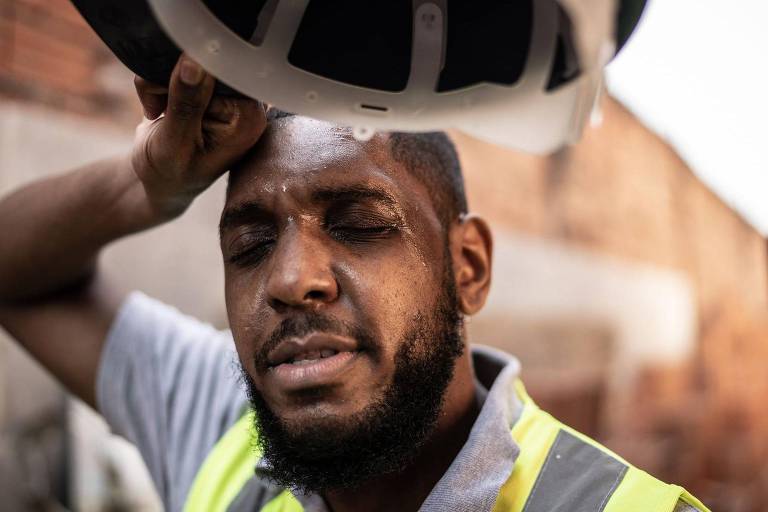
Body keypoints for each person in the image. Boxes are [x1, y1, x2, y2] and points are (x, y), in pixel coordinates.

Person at [0, 55, 708, 512]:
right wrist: (146, 184)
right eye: (249, 243)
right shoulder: (222, 421)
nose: (290, 278)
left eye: (361, 225)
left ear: (468, 268)